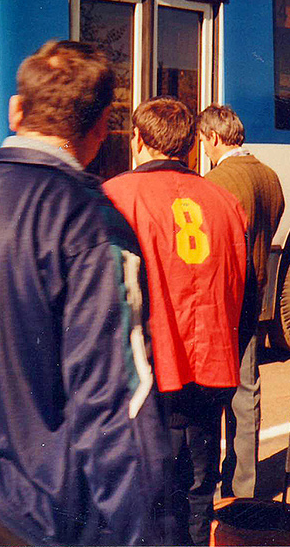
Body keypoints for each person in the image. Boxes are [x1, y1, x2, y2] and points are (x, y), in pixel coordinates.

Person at [0, 40, 175, 546]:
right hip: (48, 513)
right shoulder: (91, 221)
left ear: (16, 111)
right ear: (103, 127)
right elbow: (118, 401)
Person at [102, 97, 248, 546]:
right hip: (211, 370)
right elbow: (246, 291)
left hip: (149, 375)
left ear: (138, 140)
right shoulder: (225, 201)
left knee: (143, 497)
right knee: (198, 488)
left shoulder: (117, 196)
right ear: (188, 145)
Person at [198, 104, 285, 500]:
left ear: (214, 138)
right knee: (246, 390)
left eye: (203, 141)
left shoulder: (217, 180)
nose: (203, 148)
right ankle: (242, 488)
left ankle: (213, 483)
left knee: (211, 393)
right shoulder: (270, 177)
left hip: (222, 302)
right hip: (256, 295)